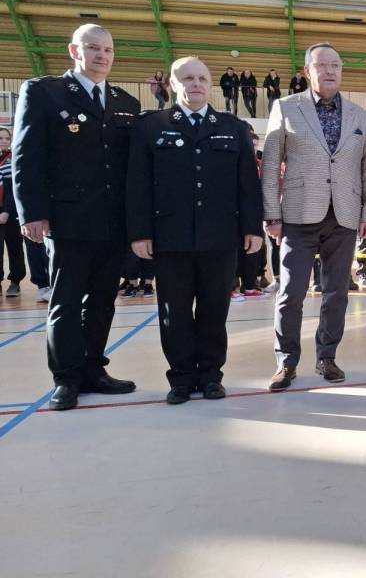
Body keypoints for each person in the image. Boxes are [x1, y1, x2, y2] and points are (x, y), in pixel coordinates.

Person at [12, 24, 140, 410]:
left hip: (112, 222)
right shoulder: (44, 92)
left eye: (108, 50)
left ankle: (93, 369)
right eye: (93, 48)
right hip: (67, 221)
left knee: (102, 301)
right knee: (66, 302)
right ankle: (66, 378)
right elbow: (26, 156)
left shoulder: (125, 101)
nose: (102, 56)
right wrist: (32, 212)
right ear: (74, 51)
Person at [127, 57, 261, 404]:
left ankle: (212, 375)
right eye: (187, 78)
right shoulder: (151, 127)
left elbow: (248, 183)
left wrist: (252, 227)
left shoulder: (233, 127)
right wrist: (140, 232)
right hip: (170, 237)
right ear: (172, 84)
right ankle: (182, 378)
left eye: (202, 78)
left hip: (221, 235)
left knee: (215, 310)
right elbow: (138, 184)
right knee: (174, 312)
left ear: (210, 84)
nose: (196, 84)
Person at [261, 42, 366, 391]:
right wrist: (272, 214)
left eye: (335, 66)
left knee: (337, 293)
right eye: (321, 65)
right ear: (307, 72)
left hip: (344, 216)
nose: (329, 71)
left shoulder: (360, 115)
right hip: (297, 215)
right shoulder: (286, 107)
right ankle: (286, 361)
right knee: (291, 293)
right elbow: (271, 165)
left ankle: (327, 356)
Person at [0, 126, 27, 297]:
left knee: (14, 247)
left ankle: (15, 282)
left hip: (10, 212)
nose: (4, 141)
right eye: (0, 138)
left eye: (7, 139)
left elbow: (13, 190)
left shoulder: (12, 160)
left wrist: (6, 211)